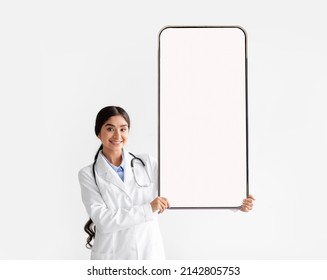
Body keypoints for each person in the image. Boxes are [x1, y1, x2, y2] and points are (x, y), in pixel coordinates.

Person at [78, 106, 255, 260]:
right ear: (98, 132)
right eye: (110, 129)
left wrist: (234, 201)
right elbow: (104, 221)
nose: (118, 135)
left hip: (149, 255)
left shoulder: (146, 163)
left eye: (123, 129)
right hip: (113, 259)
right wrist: (149, 208)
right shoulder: (88, 175)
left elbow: (187, 186)